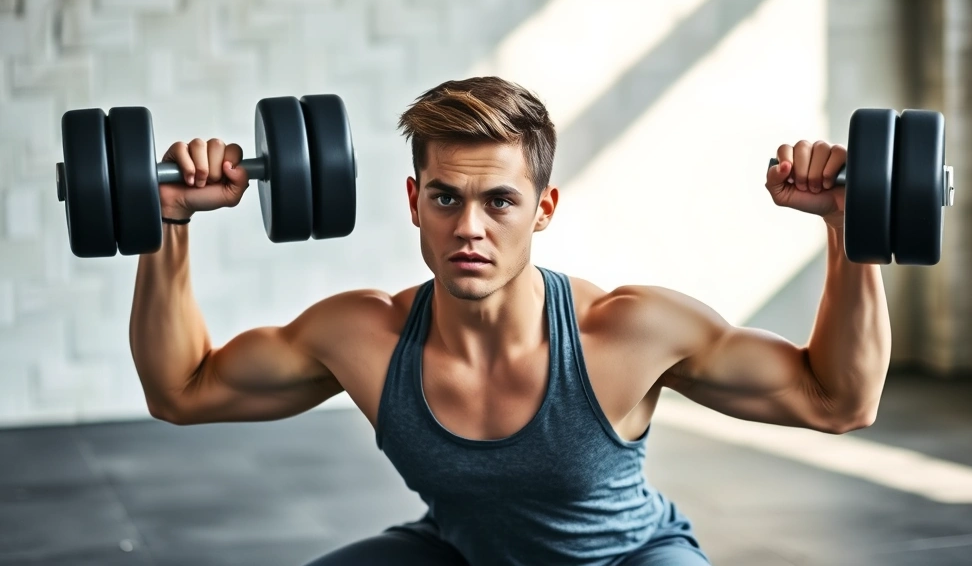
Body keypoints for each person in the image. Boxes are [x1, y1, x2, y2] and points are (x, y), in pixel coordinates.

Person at [129, 76, 891, 566]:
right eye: (445, 198)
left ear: (543, 210)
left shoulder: (627, 331)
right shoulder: (362, 337)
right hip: (460, 553)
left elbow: (839, 401)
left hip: (628, 559)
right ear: (413, 203)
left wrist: (848, 231)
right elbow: (183, 390)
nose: (470, 227)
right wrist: (167, 221)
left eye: (499, 201)